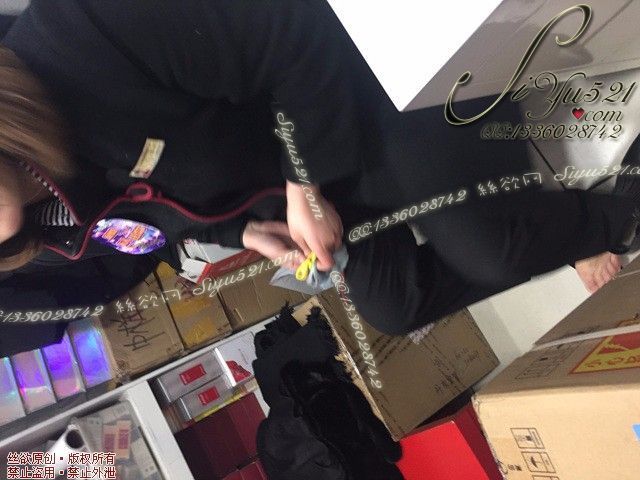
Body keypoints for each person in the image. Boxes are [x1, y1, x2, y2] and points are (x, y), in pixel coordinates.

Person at [0, 0, 637, 354]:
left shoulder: (82, 34)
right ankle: (553, 228)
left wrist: (304, 181)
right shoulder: (49, 228)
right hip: (310, 178)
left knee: (487, 247)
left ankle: (610, 219)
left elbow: (294, 32)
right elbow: (161, 222)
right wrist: (245, 233)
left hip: (356, 75)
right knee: (394, 305)